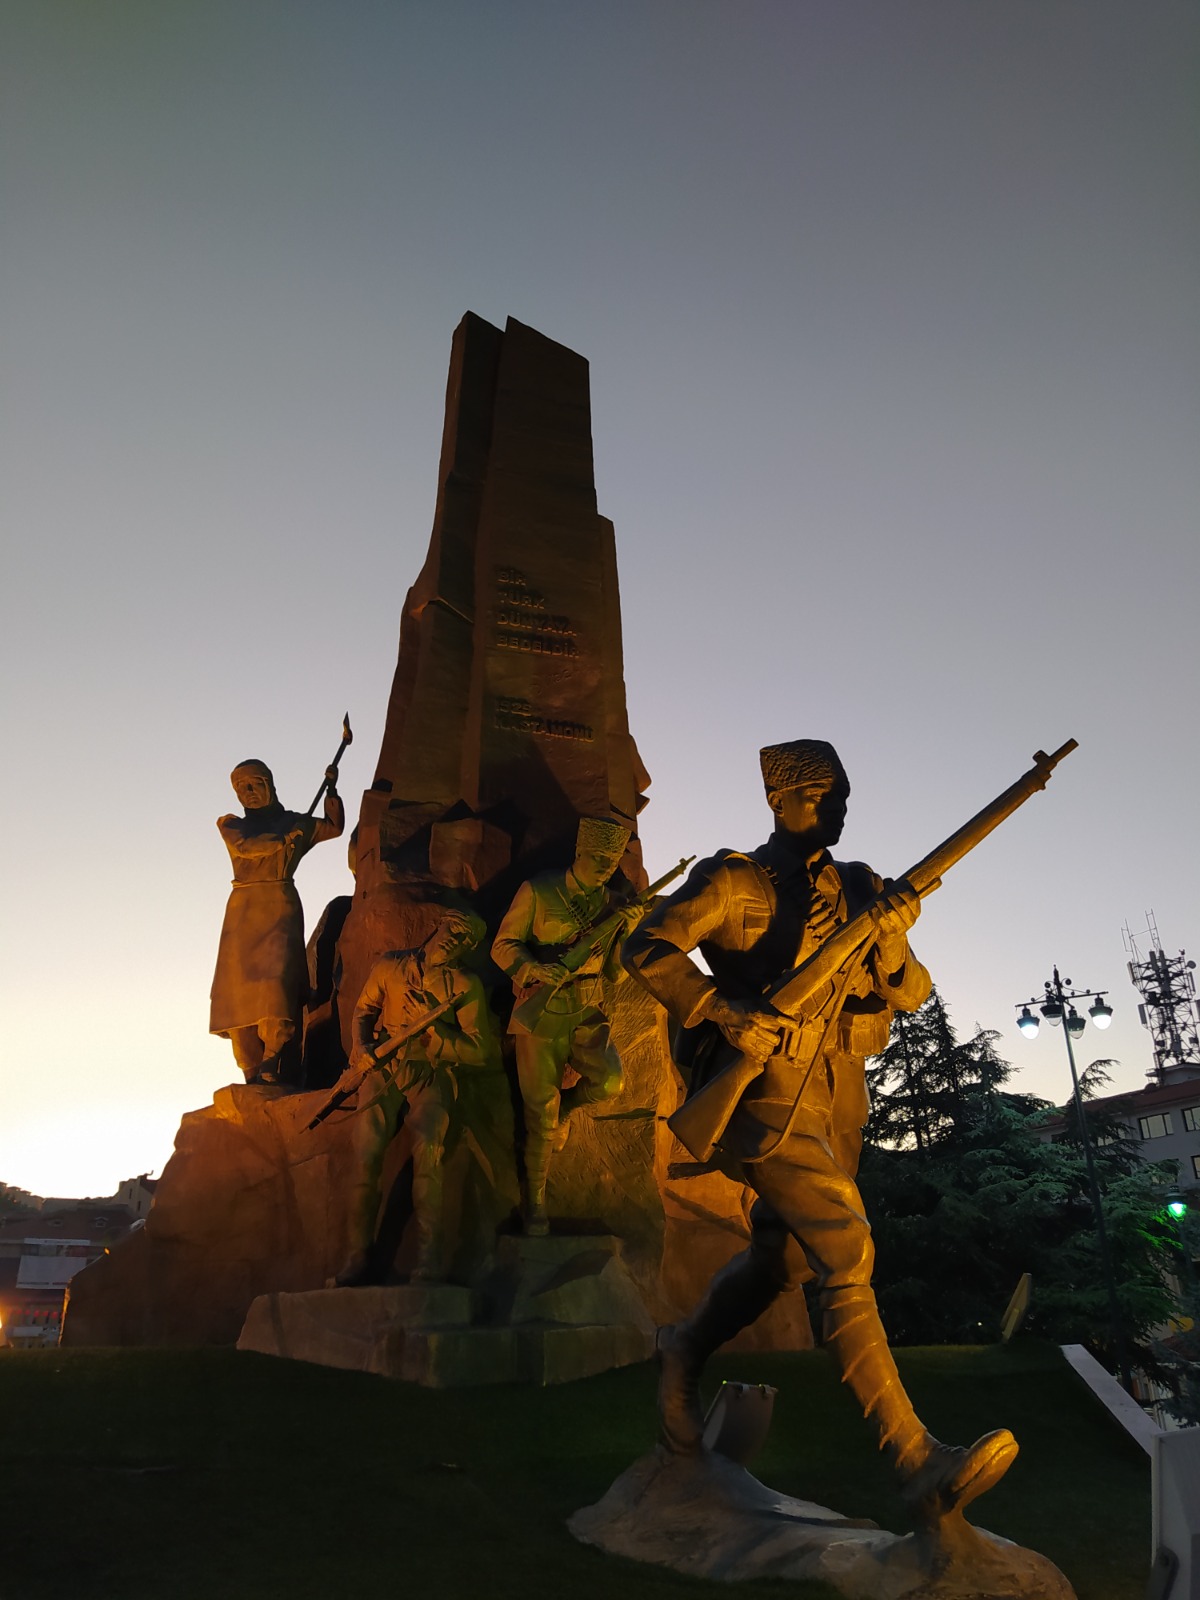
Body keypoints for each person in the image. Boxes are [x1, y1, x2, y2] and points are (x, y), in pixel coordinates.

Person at [622, 738, 1016, 1522]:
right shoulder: (733, 880)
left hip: (839, 1094)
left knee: (785, 1259)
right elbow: (646, 946)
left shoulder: (863, 886)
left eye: (843, 795)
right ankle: (915, 1459)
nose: (839, 807)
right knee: (845, 1245)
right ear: (781, 799)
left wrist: (893, 936)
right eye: (823, 794)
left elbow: (912, 993)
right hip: (765, 1094)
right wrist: (722, 1009)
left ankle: (683, 1350)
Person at [492, 816, 644, 1235]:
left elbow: (615, 973)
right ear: (579, 851)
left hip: (587, 1010)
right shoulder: (539, 890)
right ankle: (536, 1203)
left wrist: (627, 931)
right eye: (598, 857)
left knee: (610, 1081)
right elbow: (502, 946)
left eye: (612, 860)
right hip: (540, 1014)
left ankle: (569, 1108)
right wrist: (534, 969)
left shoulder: (615, 904)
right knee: (540, 1115)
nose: (605, 867)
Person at [336, 907, 501, 1286]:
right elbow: (364, 1010)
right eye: (453, 930)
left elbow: (479, 1050)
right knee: (366, 1155)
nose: (455, 940)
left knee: (429, 1152)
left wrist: (436, 1033)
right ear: (438, 926)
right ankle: (357, 1257)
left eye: (465, 939)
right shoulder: (390, 966)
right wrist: (361, 1046)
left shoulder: (464, 985)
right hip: (384, 1067)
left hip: (431, 1070)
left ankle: (429, 1260)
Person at [209, 759, 344, 1084]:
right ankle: (250, 1071)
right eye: (241, 788)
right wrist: (286, 837)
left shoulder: (295, 823)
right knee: (238, 996)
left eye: (254, 784)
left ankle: (273, 1059)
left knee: (277, 985)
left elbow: (333, 827)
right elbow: (248, 847)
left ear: (268, 783)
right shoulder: (232, 825)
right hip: (243, 914)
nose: (248, 792)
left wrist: (331, 791)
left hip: (280, 908)